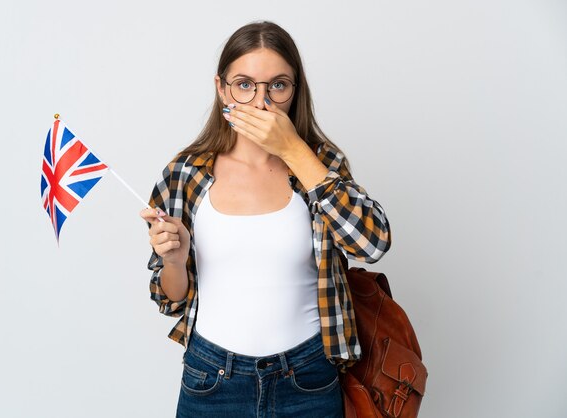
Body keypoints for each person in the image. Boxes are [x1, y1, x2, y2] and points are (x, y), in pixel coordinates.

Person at [139, 20, 392, 418]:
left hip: (308, 378)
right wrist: (174, 260)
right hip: (212, 380)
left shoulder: (318, 164)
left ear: (295, 91)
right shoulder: (186, 173)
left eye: (277, 85)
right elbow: (169, 298)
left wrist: (293, 149)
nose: (261, 103)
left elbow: (373, 243)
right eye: (244, 84)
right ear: (222, 88)